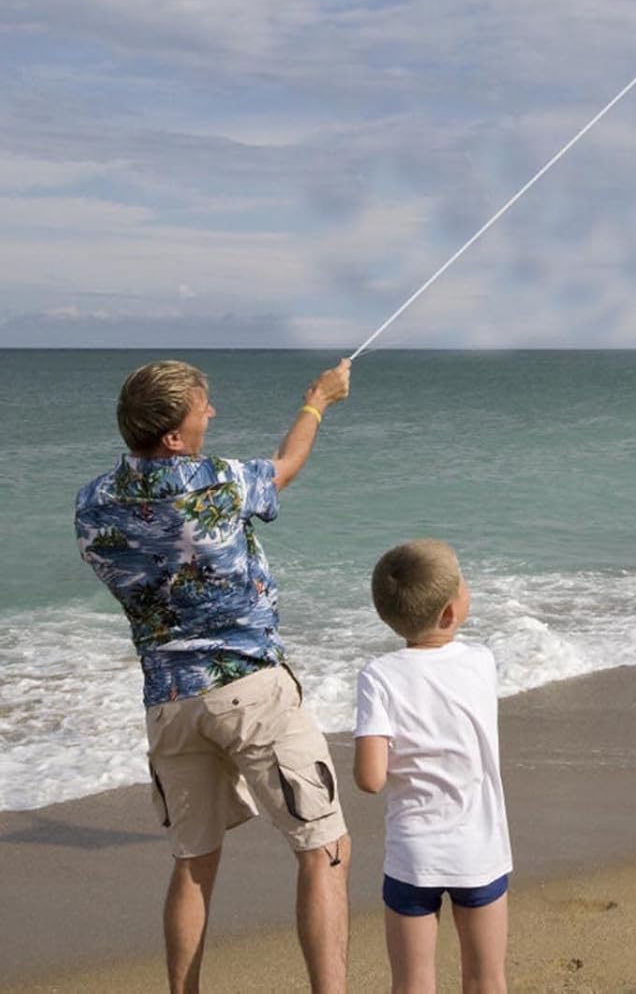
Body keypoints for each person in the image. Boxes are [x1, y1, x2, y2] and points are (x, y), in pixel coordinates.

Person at [75, 357, 353, 994]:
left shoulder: (92, 502)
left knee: (193, 864)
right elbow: (285, 467)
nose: (213, 414)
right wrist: (318, 401)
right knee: (325, 848)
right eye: (204, 408)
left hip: (169, 702)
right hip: (249, 688)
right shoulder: (219, 482)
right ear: (174, 436)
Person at [354, 540, 512, 994]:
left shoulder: (378, 676)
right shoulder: (481, 661)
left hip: (414, 854)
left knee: (412, 983)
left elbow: (370, 779)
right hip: (477, 849)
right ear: (449, 613)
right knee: (486, 978)